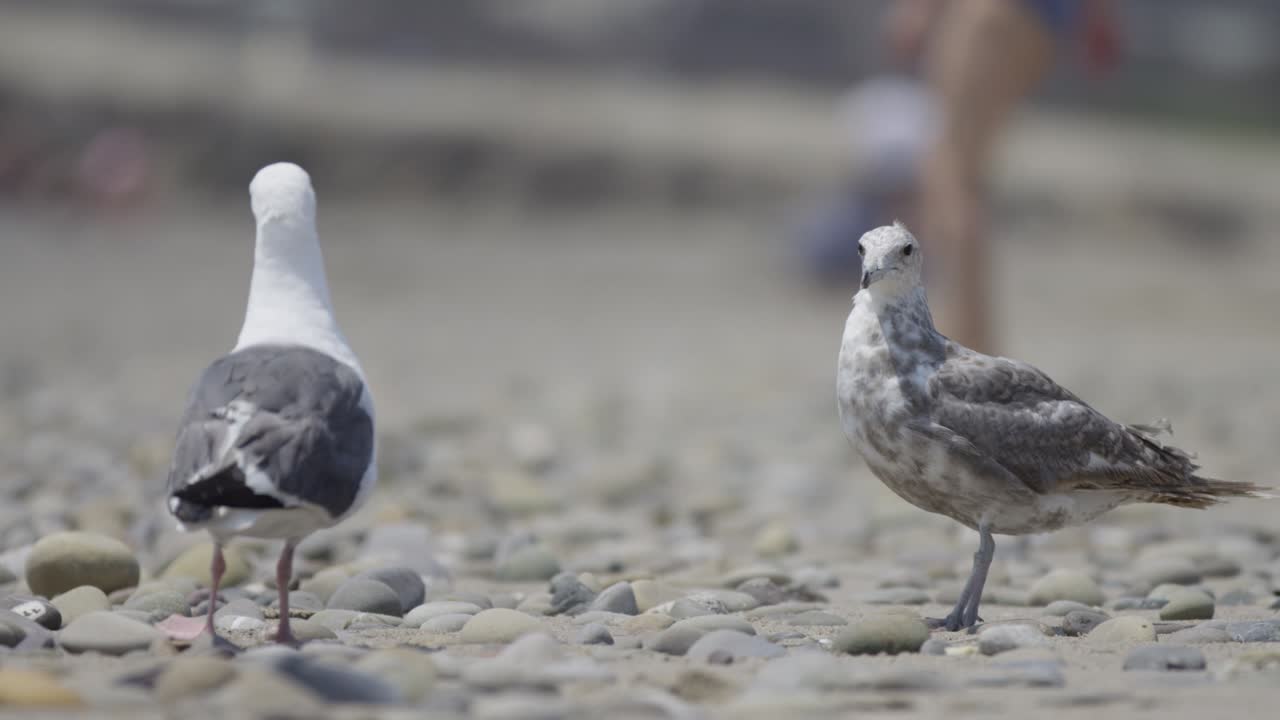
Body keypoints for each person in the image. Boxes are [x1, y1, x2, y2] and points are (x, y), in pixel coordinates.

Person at [888, 0, 1119, 352]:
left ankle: (958, 337)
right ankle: (969, 336)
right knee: (965, 174)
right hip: (1043, 25)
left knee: (948, 172)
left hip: (990, 13)